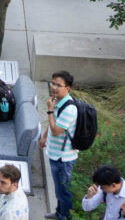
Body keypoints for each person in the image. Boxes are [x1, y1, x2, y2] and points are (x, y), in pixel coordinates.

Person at [41, 70, 79, 220]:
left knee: (64, 192)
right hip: (55, 153)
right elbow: (52, 125)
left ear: (67, 88)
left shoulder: (69, 109)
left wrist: (50, 110)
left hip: (64, 159)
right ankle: (59, 212)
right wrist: (44, 137)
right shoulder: (57, 100)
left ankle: (65, 216)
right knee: (59, 190)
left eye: (58, 85)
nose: (54, 87)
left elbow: (56, 131)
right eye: (53, 83)